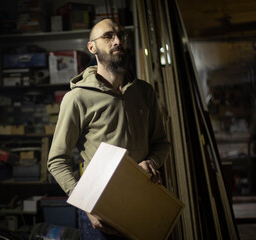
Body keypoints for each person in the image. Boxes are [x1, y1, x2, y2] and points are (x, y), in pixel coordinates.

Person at [47, 18, 171, 240]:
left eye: (121, 36)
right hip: (100, 210)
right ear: (92, 47)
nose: (117, 41)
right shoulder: (77, 98)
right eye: (108, 36)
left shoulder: (144, 92)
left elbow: (161, 143)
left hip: (143, 202)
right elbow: (56, 160)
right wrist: (86, 205)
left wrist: (152, 162)